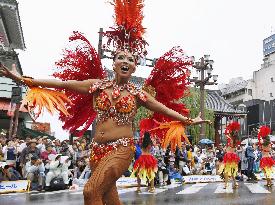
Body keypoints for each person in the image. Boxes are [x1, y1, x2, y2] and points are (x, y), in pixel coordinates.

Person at [0, 1, 210, 204]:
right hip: (97, 149)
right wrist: (25, 79)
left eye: (130, 59)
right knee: (109, 197)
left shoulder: (138, 94)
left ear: (135, 68)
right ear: (114, 62)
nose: (125, 61)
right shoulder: (97, 85)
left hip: (121, 149)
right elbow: (63, 83)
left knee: (91, 191)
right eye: (121, 57)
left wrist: (187, 120)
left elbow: (163, 108)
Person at [219, 122, 241, 189]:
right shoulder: (236, 140)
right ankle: (235, 183)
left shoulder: (230, 139)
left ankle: (226, 184)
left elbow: (225, 133)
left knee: (226, 171)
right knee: (232, 171)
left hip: (228, 156)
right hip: (234, 156)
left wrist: (227, 127)